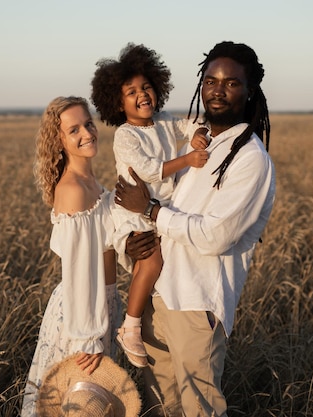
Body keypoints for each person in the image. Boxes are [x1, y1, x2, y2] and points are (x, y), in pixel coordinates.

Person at [114, 41, 276, 416]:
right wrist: (134, 241)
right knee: (159, 408)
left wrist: (151, 210)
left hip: (197, 304)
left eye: (231, 83)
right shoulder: (199, 143)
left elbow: (214, 237)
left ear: (250, 90)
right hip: (160, 298)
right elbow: (166, 207)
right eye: (210, 79)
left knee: (199, 409)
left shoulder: (250, 158)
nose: (218, 89)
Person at [90, 43, 210, 368]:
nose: (142, 95)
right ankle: (129, 327)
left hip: (157, 207)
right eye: (131, 92)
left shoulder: (164, 120)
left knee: (154, 266)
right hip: (133, 210)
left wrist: (198, 132)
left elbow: (189, 125)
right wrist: (187, 158)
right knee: (152, 260)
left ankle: (140, 322)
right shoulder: (126, 136)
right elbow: (147, 170)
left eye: (146, 87)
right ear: (117, 102)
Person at [22, 96, 122, 416]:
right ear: (60, 140)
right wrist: (88, 339)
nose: (87, 133)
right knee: (73, 403)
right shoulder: (73, 190)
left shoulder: (93, 183)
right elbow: (78, 273)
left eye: (88, 123)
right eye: (74, 129)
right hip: (82, 316)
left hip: (102, 304)